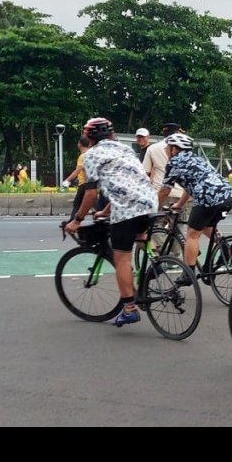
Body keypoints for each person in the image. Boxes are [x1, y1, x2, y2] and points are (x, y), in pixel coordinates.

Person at [64, 117, 158, 327]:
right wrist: (106, 211)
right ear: (112, 134)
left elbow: (90, 195)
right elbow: (126, 183)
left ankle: (129, 309)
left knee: (121, 258)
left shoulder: (91, 155)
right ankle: (157, 263)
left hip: (127, 208)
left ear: (89, 137)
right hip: (150, 201)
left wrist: (77, 221)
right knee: (141, 236)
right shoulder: (126, 149)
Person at [157, 133, 232, 283]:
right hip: (227, 196)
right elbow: (190, 187)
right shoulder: (197, 159)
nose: (166, 150)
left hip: (208, 198)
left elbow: (165, 190)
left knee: (192, 234)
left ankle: (188, 274)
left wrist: (154, 208)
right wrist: (179, 205)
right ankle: (223, 245)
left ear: (174, 149)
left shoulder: (174, 162)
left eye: (168, 147)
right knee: (205, 226)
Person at [143, 123, 189, 219]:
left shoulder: (152, 148)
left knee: (157, 226)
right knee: (178, 228)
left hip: (160, 194)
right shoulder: (184, 148)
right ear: (177, 133)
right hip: (180, 195)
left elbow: (145, 173)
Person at [61, 136, 93, 220]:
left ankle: (72, 222)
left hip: (83, 184)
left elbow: (77, 171)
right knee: (93, 204)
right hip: (91, 184)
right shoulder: (91, 154)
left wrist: (67, 180)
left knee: (77, 204)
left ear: (79, 144)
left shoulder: (82, 156)